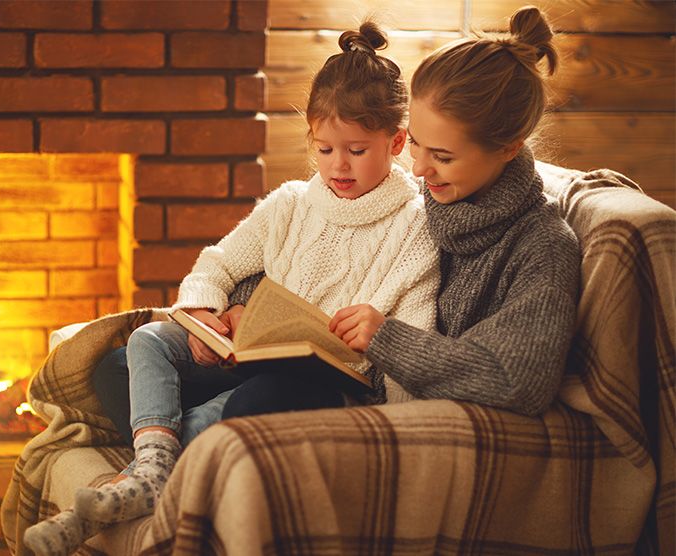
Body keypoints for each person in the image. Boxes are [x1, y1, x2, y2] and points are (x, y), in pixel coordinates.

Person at [23, 21, 439, 556]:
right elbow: (217, 263)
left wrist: (381, 377)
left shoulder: (414, 224)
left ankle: (145, 468)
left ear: (397, 141)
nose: (338, 165)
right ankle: (155, 466)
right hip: (248, 354)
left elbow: (413, 334)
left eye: (356, 151)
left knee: (253, 402)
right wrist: (203, 310)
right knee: (129, 357)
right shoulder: (291, 203)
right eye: (324, 148)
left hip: (320, 382)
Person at [224, 5, 580, 420]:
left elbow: (520, 381)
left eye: (443, 157)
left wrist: (388, 340)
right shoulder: (427, 198)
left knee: (255, 402)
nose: (418, 169)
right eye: (416, 144)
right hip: (317, 374)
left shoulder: (542, 247)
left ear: (508, 148)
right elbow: (315, 254)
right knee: (135, 360)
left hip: (395, 410)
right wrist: (243, 302)